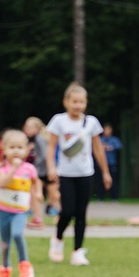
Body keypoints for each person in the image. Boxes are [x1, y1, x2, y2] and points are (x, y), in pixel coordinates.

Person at [45, 83, 113, 266]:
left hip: (86, 173)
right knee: (67, 211)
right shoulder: (59, 121)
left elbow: (98, 150)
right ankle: (57, 240)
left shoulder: (91, 123)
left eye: (81, 102)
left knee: (81, 213)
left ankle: (77, 251)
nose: (78, 105)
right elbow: (51, 147)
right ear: (66, 102)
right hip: (66, 174)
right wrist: (51, 167)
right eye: (74, 101)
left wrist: (105, 172)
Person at [0, 129, 41, 277]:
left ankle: (24, 264)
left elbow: (35, 181)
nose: (16, 151)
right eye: (12, 147)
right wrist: (13, 169)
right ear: (4, 150)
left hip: (20, 212)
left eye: (20, 148)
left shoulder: (29, 169)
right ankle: (5, 269)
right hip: (4, 211)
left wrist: (38, 192)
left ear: (26, 150)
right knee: (5, 243)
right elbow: (2, 183)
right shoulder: (1, 169)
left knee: (18, 234)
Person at [23, 117, 50, 228]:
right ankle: (38, 218)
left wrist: (35, 164)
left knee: (35, 194)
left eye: (29, 127)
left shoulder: (39, 138)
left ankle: (38, 219)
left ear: (37, 128)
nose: (26, 129)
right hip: (44, 169)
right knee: (53, 196)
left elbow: (44, 155)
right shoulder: (38, 138)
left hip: (41, 170)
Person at [99, 123, 122, 202]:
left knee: (113, 181)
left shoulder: (114, 140)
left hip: (112, 163)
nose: (107, 131)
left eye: (108, 129)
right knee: (101, 181)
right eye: (105, 129)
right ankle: (101, 198)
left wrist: (109, 147)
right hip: (101, 164)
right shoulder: (100, 139)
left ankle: (114, 198)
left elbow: (119, 147)